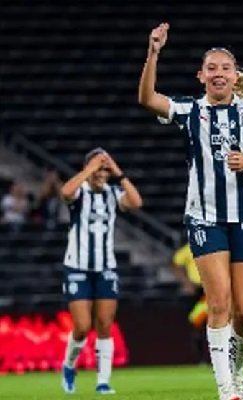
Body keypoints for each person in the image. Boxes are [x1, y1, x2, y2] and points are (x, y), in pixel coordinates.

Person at [138, 23, 243, 400]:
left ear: (235, 76)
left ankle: (238, 375)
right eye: (212, 68)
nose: (219, 72)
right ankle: (226, 389)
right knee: (219, 303)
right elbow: (148, 98)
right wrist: (154, 52)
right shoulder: (190, 110)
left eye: (225, 67)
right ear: (201, 76)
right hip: (205, 218)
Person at [59, 148, 143, 394]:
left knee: (105, 324)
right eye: (99, 169)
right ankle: (69, 365)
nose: (101, 174)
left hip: (106, 267)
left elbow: (136, 202)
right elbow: (65, 192)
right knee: (82, 326)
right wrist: (89, 169)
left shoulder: (112, 193)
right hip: (77, 267)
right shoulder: (79, 193)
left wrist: (118, 172)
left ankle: (103, 381)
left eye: (105, 170)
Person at [170, 242, 207, 363]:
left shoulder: (215, 244)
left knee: (219, 322)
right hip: (197, 290)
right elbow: (175, 263)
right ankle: (200, 358)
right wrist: (186, 282)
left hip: (212, 289)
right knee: (196, 323)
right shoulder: (189, 248)